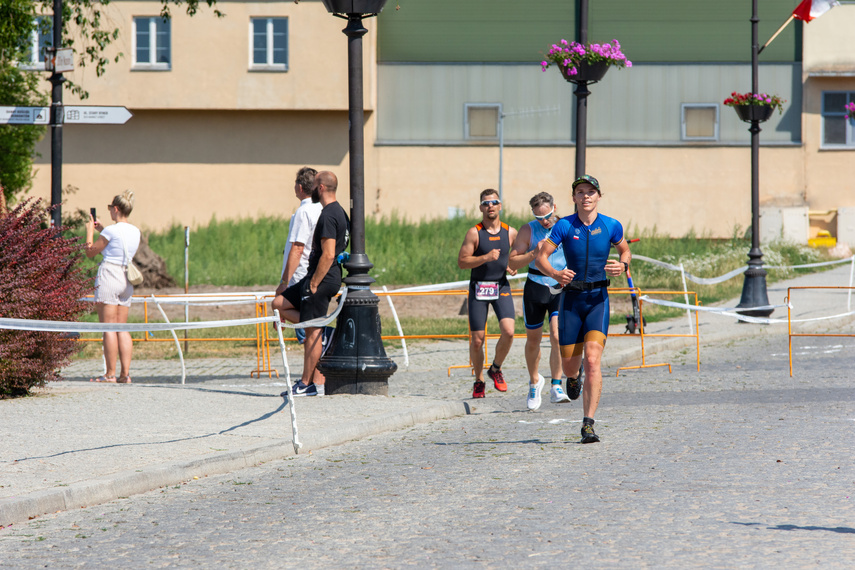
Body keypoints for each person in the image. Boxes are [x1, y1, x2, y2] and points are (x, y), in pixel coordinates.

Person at [536, 175, 631, 443]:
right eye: (581, 192)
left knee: (593, 360)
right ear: (574, 197)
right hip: (571, 301)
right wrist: (556, 274)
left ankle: (588, 424)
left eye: (591, 192)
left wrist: (622, 265)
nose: (586, 196)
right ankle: (572, 377)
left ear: (599, 196)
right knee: (570, 367)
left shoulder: (611, 225)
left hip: (598, 299)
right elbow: (541, 258)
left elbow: (625, 251)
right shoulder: (564, 225)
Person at [279, 171, 349, 397]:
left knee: (311, 333)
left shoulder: (329, 214)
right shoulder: (340, 213)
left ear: (320, 188)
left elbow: (328, 254)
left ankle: (307, 384)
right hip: (321, 277)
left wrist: (315, 283)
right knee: (279, 303)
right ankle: (324, 333)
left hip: (322, 278)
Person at [508, 192, 573, 410]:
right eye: (539, 218)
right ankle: (535, 381)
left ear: (555, 208)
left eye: (547, 216)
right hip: (535, 287)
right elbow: (513, 260)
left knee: (556, 335)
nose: (544, 221)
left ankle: (556, 384)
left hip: (559, 286)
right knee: (533, 340)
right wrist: (533, 254)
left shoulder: (565, 226)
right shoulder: (528, 230)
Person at [457, 189, 517, 398]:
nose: (490, 206)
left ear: (500, 206)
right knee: (477, 340)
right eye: (485, 203)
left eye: (494, 202)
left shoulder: (510, 232)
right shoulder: (475, 232)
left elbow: (517, 256)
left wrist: (512, 265)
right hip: (479, 288)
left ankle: (496, 369)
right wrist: (485, 257)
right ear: (481, 207)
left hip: (501, 286)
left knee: (509, 331)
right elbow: (463, 261)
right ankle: (479, 380)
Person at [84, 190, 142, 384]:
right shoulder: (135, 231)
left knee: (108, 328)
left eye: (110, 209)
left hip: (110, 275)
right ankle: (125, 374)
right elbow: (119, 244)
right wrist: (103, 229)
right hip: (127, 277)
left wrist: (90, 232)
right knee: (121, 328)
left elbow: (90, 252)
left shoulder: (110, 231)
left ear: (115, 209)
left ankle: (109, 374)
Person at [272, 166, 322, 344]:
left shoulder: (304, 212)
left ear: (300, 187)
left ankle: (319, 336)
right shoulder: (320, 209)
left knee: (307, 334)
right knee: (308, 329)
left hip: (300, 275)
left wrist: (284, 282)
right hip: (313, 273)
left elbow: (298, 248)